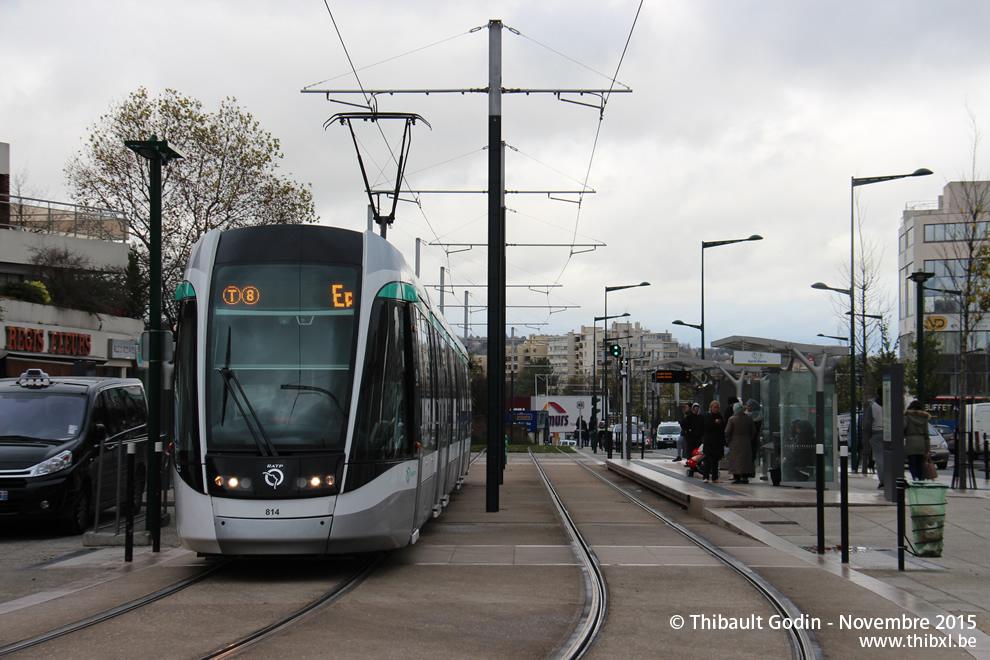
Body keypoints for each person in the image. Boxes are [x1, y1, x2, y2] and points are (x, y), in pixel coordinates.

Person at [725, 402, 756, 484]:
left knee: (735, 460)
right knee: (745, 459)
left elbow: (727, 431)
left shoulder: (732, 419)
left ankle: (736, 477)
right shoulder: (749, 419)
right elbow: (753, 431)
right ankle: (745, 477)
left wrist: (728, 440)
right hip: (746, 441)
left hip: (734, 442)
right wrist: (749, 438)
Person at [904, 400, 930, 481]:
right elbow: (926, 435)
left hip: (911, 442)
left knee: (912, 463)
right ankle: (920, 479)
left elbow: (902, 428)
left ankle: (915, 478)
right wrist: (927, 449)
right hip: (921, 443)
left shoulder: (907, 417)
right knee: (920, 463)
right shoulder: (924, 419)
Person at [863, 388, 885, 488]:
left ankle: (883, 481)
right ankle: (893, 478)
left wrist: (869, 434)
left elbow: (868, 423)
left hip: (877, 433)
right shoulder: (892, 403)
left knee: (879, 458)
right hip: (890, 433)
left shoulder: (873, 404)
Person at [700, 400, 725, 483]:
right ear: (711, 408)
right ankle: (706, 476)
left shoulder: (720, 416)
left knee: (715, 461)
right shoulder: (708, 416)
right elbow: (706, 428)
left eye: (717, 408)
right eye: (714, 408)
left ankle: (715, 477)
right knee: (708, 460)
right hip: (709, 442)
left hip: (717, 442)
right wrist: (714, 423)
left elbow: (723, 428)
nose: (716, 409)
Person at [745, 399, 764, 479]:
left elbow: (756, 429)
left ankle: (751, 471)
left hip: (753, 439)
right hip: (746, 439)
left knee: (752, 455)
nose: (748, 408)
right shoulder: (745, 415)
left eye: (749, 406)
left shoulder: (758, 416)